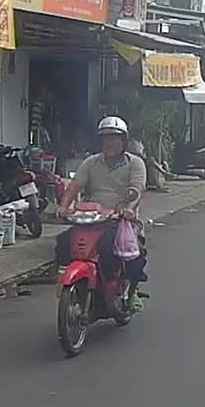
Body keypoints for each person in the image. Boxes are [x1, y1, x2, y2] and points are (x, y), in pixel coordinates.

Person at [57, 116, 149, 310]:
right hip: (91, 220)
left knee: (124, 254)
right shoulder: (91, 162)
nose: (108, 143)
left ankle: (131, 291)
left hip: (120, 221)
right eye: (105, 139)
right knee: (64, 244)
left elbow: (137, 190)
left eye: (113, 138)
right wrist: (63, 206)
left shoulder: (135, 163)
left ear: (123, 140)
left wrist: (129, 209)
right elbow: (74, 186)